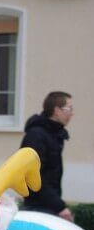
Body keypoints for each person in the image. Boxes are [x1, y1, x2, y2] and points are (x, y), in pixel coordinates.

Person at [21, 91, 74, 221]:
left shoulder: (54, 134)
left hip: (48, 206)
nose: (72, 113)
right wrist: (59, 206)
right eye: (69, 109)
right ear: (57, 110)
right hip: (37, 208)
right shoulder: (36, 136)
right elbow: (34, 176)